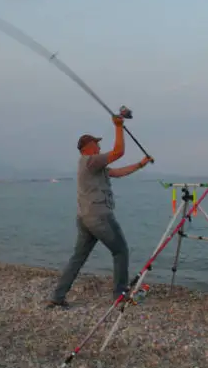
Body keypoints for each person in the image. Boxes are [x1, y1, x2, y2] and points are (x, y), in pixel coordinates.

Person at [47, 113, 153, 307]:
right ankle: (120, 294)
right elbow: (118, 152)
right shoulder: (91, 160)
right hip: (99, 218)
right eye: (97, 144)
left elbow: (118, 172)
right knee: (120, 251)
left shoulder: (94, 165)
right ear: (88, 147)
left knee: (78, 258)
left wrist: (140, 164)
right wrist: (118, 126)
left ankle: (57, 296)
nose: (99, 147)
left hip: (85, 218)